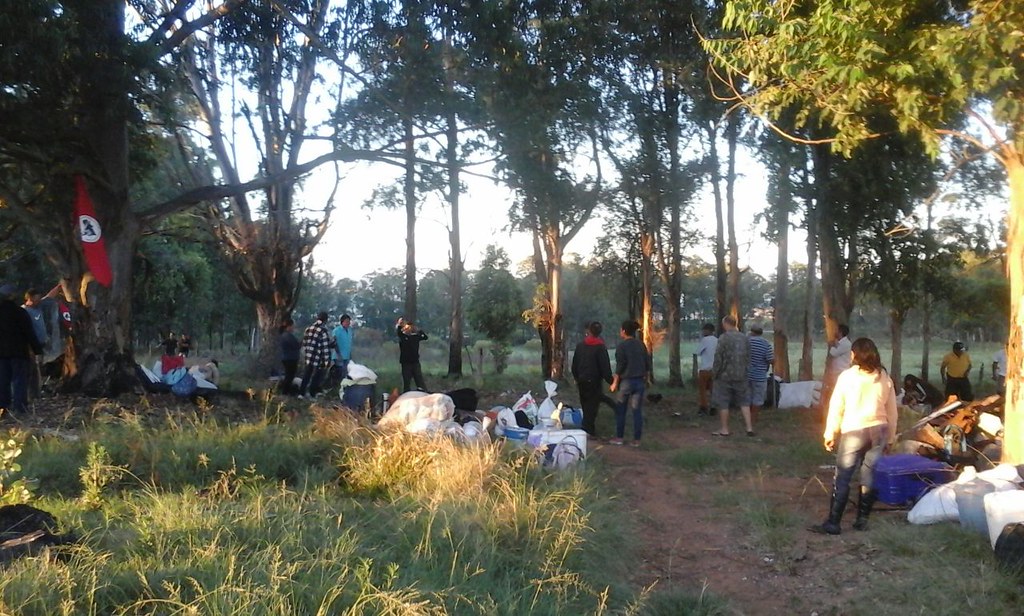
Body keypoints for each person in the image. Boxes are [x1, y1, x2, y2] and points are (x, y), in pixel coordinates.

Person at [810, 337, 897, 535]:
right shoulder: (884, 376)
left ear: (855, 355)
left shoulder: (848, 377)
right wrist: (890, 438)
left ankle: (833, 523)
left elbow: (837, 407)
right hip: (879, 430)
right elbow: (892, 411)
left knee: (843, 477)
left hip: (854, 431)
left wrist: (830, 432)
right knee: (868, 475)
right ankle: (862, 520)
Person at [0, 283, 43, 415]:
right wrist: (37, 350)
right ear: (13, 296)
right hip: (19, 352)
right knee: (19, 380)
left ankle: (3, 407)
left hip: (1, 353)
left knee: (3, 380)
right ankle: (20, 408)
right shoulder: (20, 312)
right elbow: (29, 333)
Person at [608, 320, 652, 447]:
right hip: (639, 381)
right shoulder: (641, 345)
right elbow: (647, 364)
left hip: (626, 382)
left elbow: (620, 367)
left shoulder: (622, 346)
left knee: (621, 410)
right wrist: (647, 379)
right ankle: (637, 440)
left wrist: (614, 383)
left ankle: (619, 437)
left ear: (623, 331)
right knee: (637, 411)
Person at [711, 315, 753, 437]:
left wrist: (715, 373)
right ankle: (749, 428)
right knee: (744, 402)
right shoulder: (744, 338)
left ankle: (724, 429)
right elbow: (748, 356)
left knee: (723, 402)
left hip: (725, 375)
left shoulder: (723, 338)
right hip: (742, 374)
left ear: (725, 324)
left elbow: (718, 358)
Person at [571, 321, 613, 437]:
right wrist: (612, 382)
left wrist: (576, 377)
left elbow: (574, 364)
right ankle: (587, 431)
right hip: (594, 382)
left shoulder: (580, 346)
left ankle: (587, 430)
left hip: (581, 381)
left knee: (585, 405)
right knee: (592, 407)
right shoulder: (600, 347)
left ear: (588, 331)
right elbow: (605, 368)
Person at [22, 285, 60, 398]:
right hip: (30, 347)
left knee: (38, 369)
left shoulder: (39, 307)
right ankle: (30, 394)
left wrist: (60, 286)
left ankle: (37, 392)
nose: (39, 300)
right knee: (31, 370)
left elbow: (49, 297)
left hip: (40, 345)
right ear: (30, 298)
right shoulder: (24, 311)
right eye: (37, 298)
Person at [746, 323, 774, 429]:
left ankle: (746, 418)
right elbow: (770, 359)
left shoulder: (746, 342)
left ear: (751, 331)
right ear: (761, 333)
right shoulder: (766, 344)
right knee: (757, 398)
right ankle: (753, 420)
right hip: (760, 375)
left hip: (746, 374)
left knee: (747, 397)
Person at [299, 312, 332, 399]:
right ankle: (312, 394)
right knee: (316, 376)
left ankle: (301, 393)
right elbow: (325, 347)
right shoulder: (323, 330)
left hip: (308, 356)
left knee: (306, 374)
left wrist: (306, 353)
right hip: (318, 358)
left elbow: (304, 343)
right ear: (326, 320)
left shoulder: (308, 329)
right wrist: (327, 361)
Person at [821, 324, 852, 411]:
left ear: (841, 332)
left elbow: (834, 353)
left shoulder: (846, 344)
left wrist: (832, 345)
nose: (835, 332)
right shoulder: (840, 343)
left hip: (841, 371)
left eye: (837, 331)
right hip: (836, 371)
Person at [396, 317, 428, 392]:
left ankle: (423, 392)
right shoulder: (403, 337)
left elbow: (425, 337)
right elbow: (398, 332)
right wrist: (400, 324)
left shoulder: (415, 337)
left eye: (410, 327)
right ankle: (406, 394)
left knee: (419, 380)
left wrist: (419, 331)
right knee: (406, 382)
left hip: (415, 362)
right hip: (406, 363)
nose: (408, 329)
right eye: (407, 327)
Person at [694, 323, 718, 416]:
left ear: (708, 331)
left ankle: (703, 407)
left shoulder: (705, 340)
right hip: (714, 369)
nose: (703, 332)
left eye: (704, 330)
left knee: (702, 390)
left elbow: (698, 352)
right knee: (713, 390)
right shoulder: (717, 340)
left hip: (704, 369)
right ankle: (713, 407)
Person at [278, 318, 300, 395]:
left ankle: (286, 391)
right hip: (290, 358)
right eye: (293, 326)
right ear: (289, 326)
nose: (293, 328)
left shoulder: (285, 335)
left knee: (289, 376)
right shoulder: (287, 336)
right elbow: (296, 345)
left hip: (287, 358)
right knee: (289, 376)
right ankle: (285, 392)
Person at [332, 314, 354, 382]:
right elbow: (334, 343)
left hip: (346, 356)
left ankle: (343, 388)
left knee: (345, 373)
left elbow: (349, 343)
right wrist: (339, 354)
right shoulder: (337, 330)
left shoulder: (350, 330)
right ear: (342, 322)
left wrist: (350, 354)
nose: (348, 323)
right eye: (347, 321)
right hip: (339, 356)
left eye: (349, 321)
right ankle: (336, 387)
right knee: (339, 373)